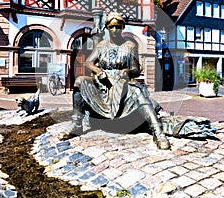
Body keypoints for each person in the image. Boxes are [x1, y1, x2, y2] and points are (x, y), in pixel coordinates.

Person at [64, 12, 170, 150]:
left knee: (138, 93)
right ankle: (76, 124)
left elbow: (136, 69)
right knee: (80, 81)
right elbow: (89, 62)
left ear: (122, 28)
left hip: (122, 84)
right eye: (111, 27)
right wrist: (98, 71)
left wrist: (127, 71)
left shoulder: (130, 46)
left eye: (118, 27)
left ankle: (157, 131)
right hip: (102, 84)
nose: (115, 30)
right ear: (107, 28)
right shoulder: (102, 45)